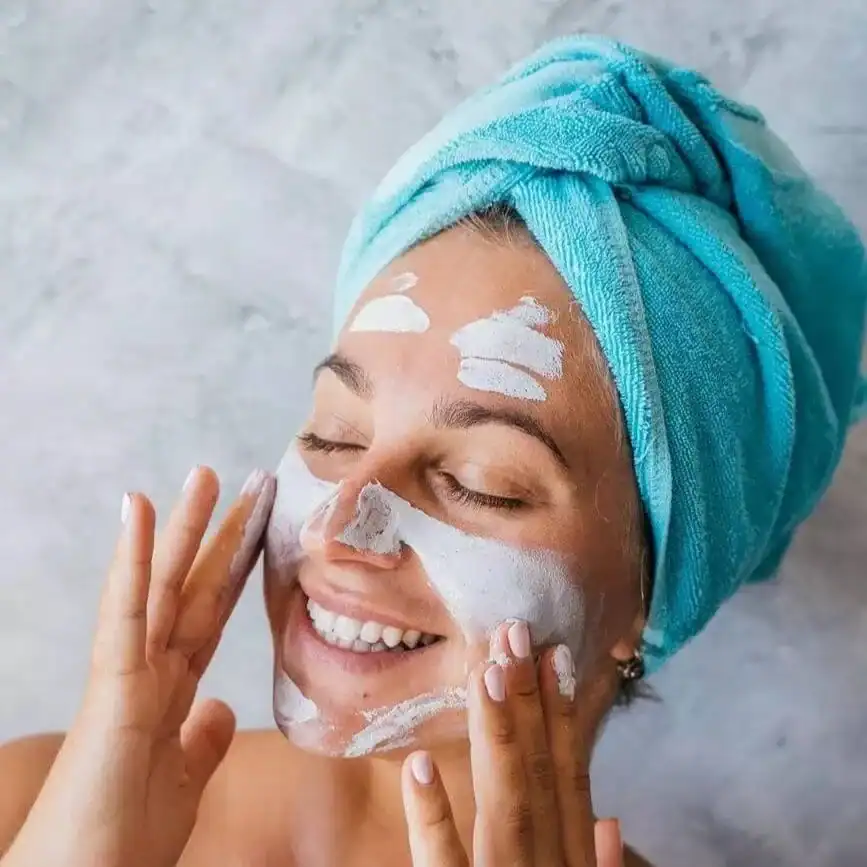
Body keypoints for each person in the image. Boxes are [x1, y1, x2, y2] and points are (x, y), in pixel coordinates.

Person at [1, 33, 865, 867]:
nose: (341, 523)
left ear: (650, 596)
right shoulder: (28, 808)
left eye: (477, 482)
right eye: (332, 435)